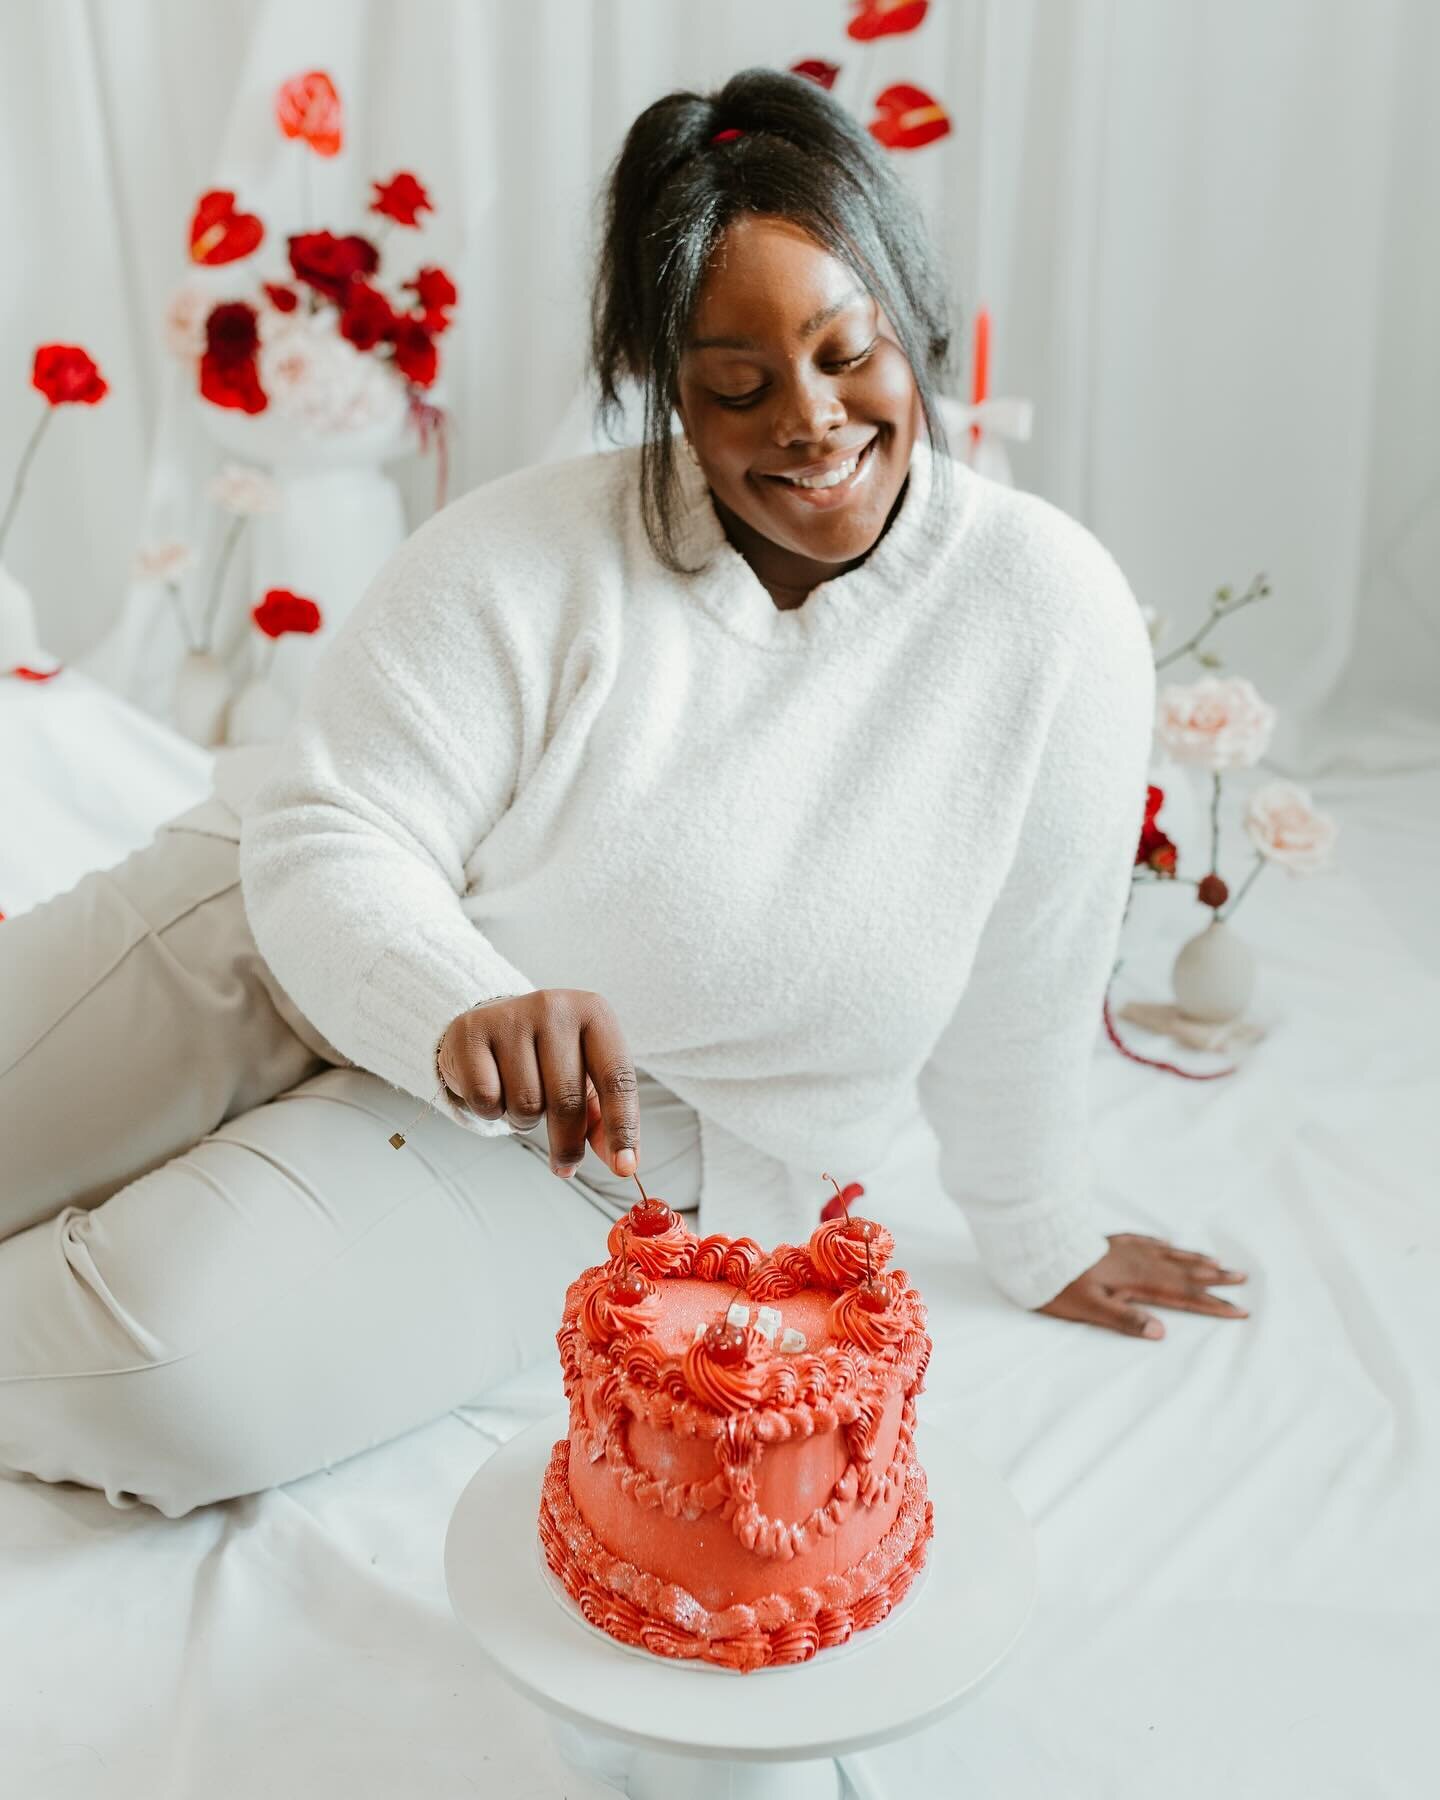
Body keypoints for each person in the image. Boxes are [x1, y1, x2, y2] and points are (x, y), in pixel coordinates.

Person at [0, 68, 1248, 1519]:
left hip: (601, 1148)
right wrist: (456, 1001)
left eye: (853, 356)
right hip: (283, 935)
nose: (811, 422)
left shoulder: (1048, 615)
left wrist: (1039, 1232)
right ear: (666, 386)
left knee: (171, 1372)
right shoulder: (529, 555)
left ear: (915, 329)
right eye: (738, 385)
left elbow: (1030, 975)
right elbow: (337, 827)